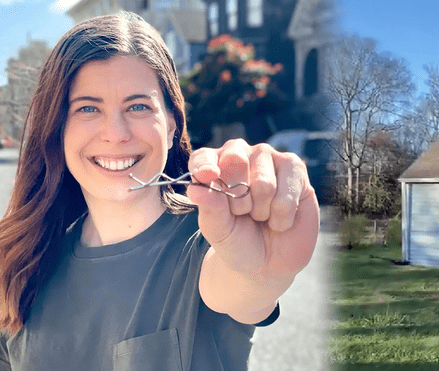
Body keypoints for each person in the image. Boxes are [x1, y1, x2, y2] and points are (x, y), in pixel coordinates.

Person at [0, 12, 319, 371]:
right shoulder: (19, 263)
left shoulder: (212, 240)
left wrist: (265, 274)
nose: (116, 133)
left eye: (138, 106)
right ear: (58, 130)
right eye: (88, 108)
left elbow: (243, 282)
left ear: (171, 126)